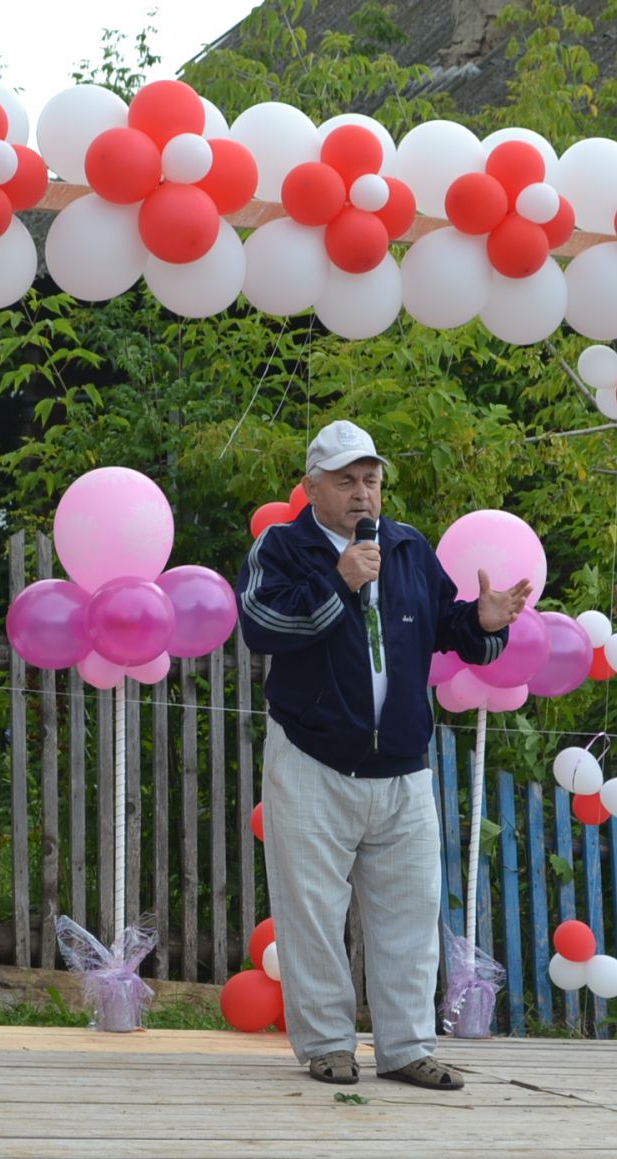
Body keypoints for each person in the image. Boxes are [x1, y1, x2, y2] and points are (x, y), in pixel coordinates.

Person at [237, 420, 532, 1090]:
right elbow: (262, 625)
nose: (363, 494)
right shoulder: (281, 547)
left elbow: (447, 626)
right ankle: (328, 1046)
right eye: (347, 480)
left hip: (402, 768)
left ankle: (404, 1049)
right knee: (311, 915)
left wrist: (483, 624)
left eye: (371, 479)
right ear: (313, 487)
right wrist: (339, 581)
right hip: (312, 761)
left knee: (409, 916)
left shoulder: (405, 547)